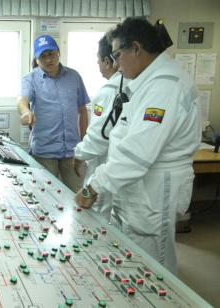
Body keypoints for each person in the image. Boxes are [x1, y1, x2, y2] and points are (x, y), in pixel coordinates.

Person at [75, 18, 201, 273]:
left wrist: (93, 187)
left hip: (156, 187)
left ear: (136, 48)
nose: (116, 63)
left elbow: (137, 153)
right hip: (139, 184)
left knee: (154, 260)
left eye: (118, 54)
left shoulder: (164, 86)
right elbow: (123, 135)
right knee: (131, 250)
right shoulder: (147, 83)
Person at [17, 34, 90, 192]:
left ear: (58, 52)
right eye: (42, 56)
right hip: (44, 151)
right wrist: (26, 112)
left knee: (77, 196)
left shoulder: (74, 76)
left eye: (50, 54)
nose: (48, 60)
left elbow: (83, 111)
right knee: (46, 198)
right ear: (37, 60)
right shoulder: (30, 79)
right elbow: (22, 100)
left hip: (73, 151)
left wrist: (84, 142)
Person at [73, 33, 125, 221]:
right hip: (119, 171)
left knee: (96, 217)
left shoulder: (109, 91)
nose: (98, 66)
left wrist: (78, 155)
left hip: (104, 166)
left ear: (107, 61)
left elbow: (98, 137)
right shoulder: (133, 86)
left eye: (98, 61)